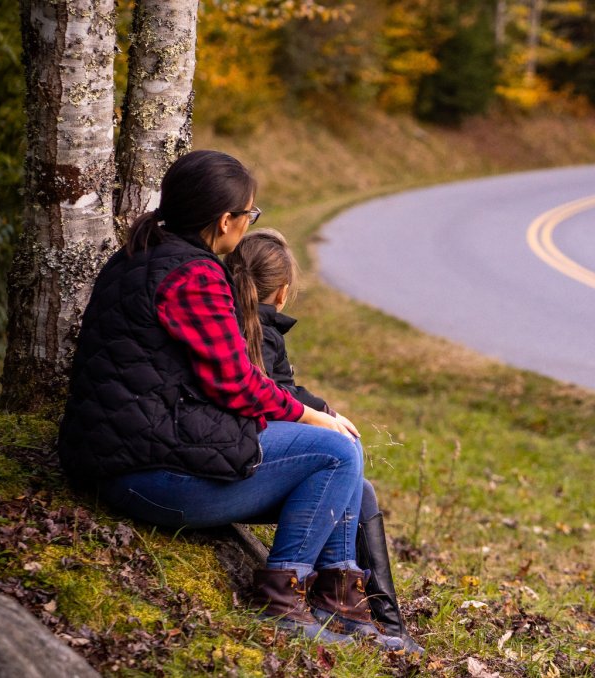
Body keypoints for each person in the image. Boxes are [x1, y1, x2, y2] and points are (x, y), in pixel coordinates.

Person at [56, 150, 399, 651]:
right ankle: (282, 604)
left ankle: (341, 607)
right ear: (226, 221)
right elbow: (235, 384)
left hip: (124, 456)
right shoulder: (193, 276)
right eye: (250, 214)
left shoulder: (136, 256)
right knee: (338, 452)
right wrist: (311, 415)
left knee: (349, 476)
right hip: (150, 477)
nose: (249, 223)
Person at [226, 228, 423, 655]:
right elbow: (282, 394)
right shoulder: (259, 331)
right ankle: (304, 592)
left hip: (244, 450)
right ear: (281, 293)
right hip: (250, 456)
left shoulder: (231, 324)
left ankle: (342, 593)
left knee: (353, 471)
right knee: (340, 451)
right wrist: (326, 415)